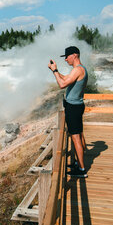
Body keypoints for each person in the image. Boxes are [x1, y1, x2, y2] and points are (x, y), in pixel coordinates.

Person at [48, 46, 88, 178]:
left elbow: (62, 84)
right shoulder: (80, 69)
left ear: (74, 55)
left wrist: (54, 72)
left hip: (73, 108)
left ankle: (82, 169)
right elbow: (66, 79)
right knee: (78, 135)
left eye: (67, 56)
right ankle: (78, 163)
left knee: (76, 137)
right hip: (76, 106)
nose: (65, 59)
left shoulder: (78, 69)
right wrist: (56, 70)